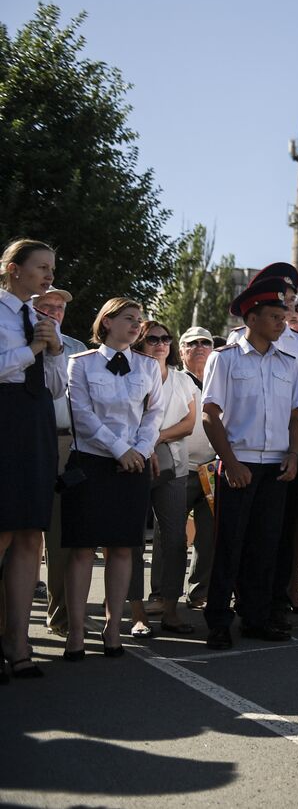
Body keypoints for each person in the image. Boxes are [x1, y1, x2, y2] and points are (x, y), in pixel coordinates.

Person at [201, 277, 298, 648]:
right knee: (230, 544)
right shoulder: (224, 358)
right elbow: (210, 414)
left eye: (284, 316)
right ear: (252, 318)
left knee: (267, 544)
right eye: (276, 316)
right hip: (239, 462)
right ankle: (218, 620)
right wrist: (230, 462)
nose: (283, 323)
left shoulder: (289, 362)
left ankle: (256, 617)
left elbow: (295, 416)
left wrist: (293, 455)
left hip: (276, 464)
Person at [62, 298, 165, 659]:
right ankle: (75, 632)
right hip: (93, 461)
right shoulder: (80, 364)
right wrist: (120, 449)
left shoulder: (148, 366)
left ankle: (111, 628)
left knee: (123, 548)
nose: (137, 325)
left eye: (139, 319)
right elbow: (81, 413)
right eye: (128, 318)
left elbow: (155, 413)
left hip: (133, 464)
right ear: (106, 322)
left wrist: (140, 448)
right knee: (83, 550)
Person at [227, 264, 298, 622]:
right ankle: (241, 600)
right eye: (284, 302)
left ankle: (274, 600)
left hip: (284, 452)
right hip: (245, 453)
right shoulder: (237, 341)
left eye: (293, 301)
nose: (289, 311)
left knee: (277, 533)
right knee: (242, 536)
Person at [0, 238, 68, 679]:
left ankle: (18, 640)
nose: (48, 275)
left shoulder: (42, 320)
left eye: (51, 268)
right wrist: (35, 350)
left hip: (36, 425)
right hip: (4, 424)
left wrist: (56, 351)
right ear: (12, 268)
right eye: (41, 266)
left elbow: (59, 387)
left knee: (29, 535)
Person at [129, 319, 199, 635]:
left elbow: (189, 423)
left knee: (175, 539)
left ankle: (170, 609)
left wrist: (155, 438)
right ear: (139, 343)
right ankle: (137, 613)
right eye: (152, 339)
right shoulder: (128, 374)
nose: (160, 343)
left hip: (174, 465)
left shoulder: (183, 380)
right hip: (133, 463)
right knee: (130, 542)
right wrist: (146, 445)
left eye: (165, 338)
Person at [33, 287, 88, 641]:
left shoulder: (78, 349)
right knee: (18, 537)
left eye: (60, 308)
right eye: (46, 307)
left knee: (61, 537)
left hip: (69, 444)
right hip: (28, 443)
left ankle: (61, 615)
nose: (54, 312)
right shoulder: (14, 340)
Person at [177, 326, 218, 613]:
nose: (201, 347)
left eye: (206, 342)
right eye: (193, 343)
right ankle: (162, 594)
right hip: (179, 468)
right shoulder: (173, 380)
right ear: (181, 351)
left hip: (213, 469)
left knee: (209, 535)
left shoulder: (220, 381)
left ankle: (199, 591)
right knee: (172, 537)